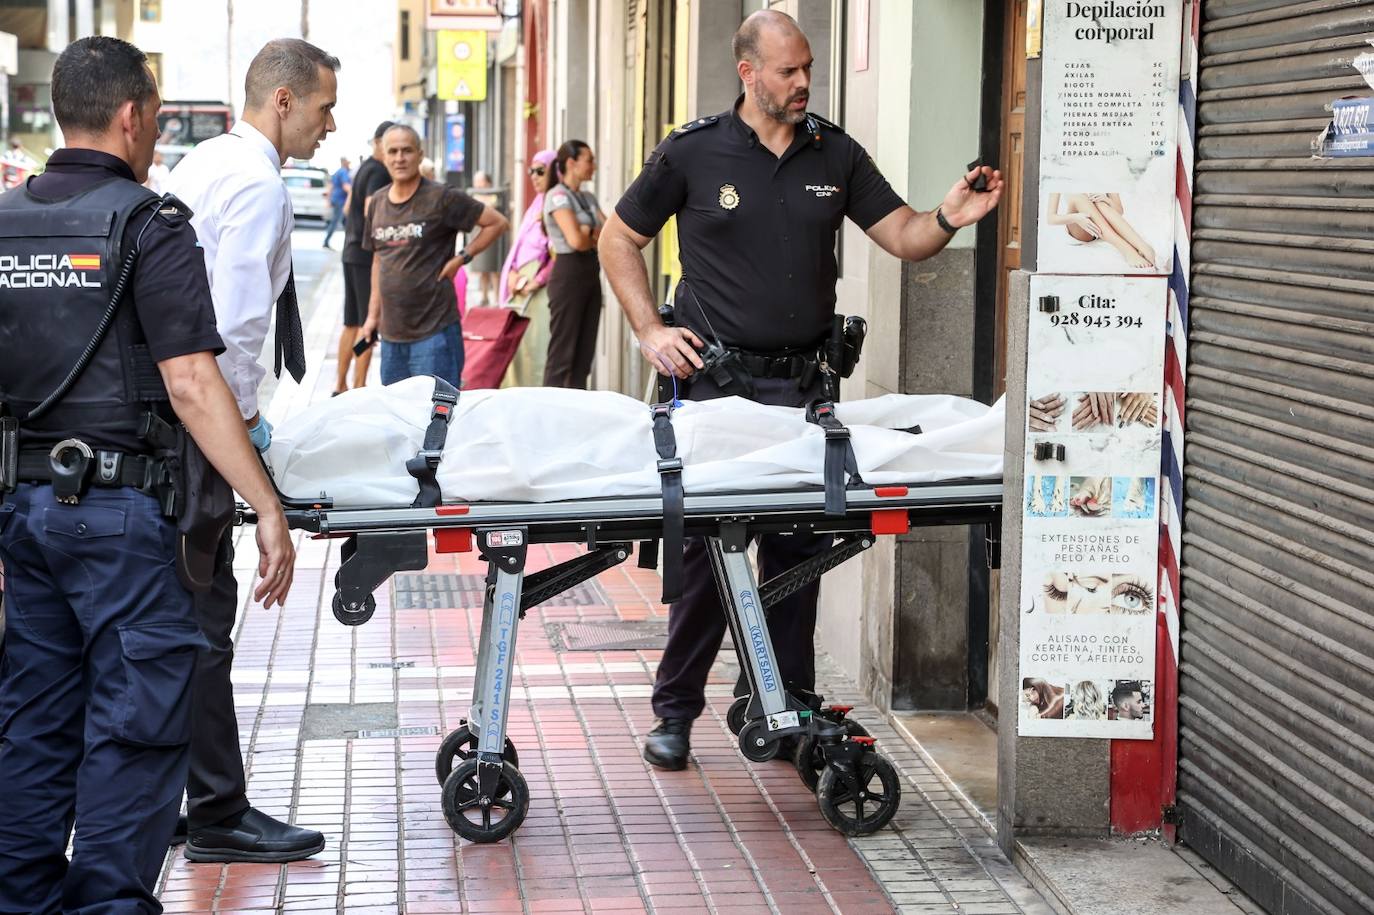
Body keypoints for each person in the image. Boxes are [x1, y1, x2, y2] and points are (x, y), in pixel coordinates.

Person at [599, 9, 1003, 769]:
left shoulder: (836, 152)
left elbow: (906, 234)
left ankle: (781, 703)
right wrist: (650, 328)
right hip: (715, 390)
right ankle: (676, 710)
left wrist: (952, 214)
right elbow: (619, 237)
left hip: (802, 389)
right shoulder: (693, 152)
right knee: (710, 555)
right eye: (788, 70)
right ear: (748, 73)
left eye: (808, 66)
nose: (803, 81)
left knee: (796, 551)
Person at [0, 36, 295, 912]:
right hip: (123, 517)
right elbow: (193, 381)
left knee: (35, 721)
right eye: (157, 120)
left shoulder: (6, 223)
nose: (157, 138)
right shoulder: (149, 222)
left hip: (25, 512)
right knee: (136, 720)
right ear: (132, 116)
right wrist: (264, 503)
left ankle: (20, 896)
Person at [164, 36, 338, 863]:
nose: (329, 125)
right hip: (198, 429)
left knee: (177, 618)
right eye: (323, 107)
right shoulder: (260, 186)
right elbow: (229, 335)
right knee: (204, 620)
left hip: (167, 421)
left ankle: (176, 795)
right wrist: (246, 452)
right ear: (283, 101)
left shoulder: (202, 164)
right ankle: (220, 813)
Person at [357, 124, 507, 387]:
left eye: (407, 151)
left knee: (438, 420)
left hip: (435, 335)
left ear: (420, 154)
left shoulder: (442, 197)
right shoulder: (378, 203)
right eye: (392, 151)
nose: (399, 158)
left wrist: (462, 258)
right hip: (392, 339)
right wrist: (372, 317)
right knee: (399, 421)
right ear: (383, 155)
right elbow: (378, 261)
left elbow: (496, 222)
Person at [543, 140, 607, 389]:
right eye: (589, 160)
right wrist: (591, 232)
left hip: (591, 273)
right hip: (568, 275)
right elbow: (576, 241)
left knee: (583, 354)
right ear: (571, 163)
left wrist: (588, 231)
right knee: (563, 353)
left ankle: (576, 410)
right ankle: (549, 411)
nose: (594, 166)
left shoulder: (587, 197)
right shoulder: (557, 196)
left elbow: (609, 234)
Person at [336, 121, 394, 395]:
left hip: (350, 251)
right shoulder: (380, 172)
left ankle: (340, 384)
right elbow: (373, 209)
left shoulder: (363, 169)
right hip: (365, 255)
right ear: (379, 142)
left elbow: (349, 208)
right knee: (367, 322)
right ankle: (358, 385)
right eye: (390, 145)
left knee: (351, 322)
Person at [499, 149, 558, 386]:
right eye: (531, 171)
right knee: (518, 350)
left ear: (554, 171)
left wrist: (537, 280)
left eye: (540, 171)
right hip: (520, 286)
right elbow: (520, 246)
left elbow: (557, 253)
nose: (534, 176)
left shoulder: (556, 203)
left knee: (536, 347)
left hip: (539, 290)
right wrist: (513, 273)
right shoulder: (536, 205)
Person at [1045, 192, 1157, 269]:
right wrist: (1077, 218)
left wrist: (1107, 200)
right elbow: (1051, 218)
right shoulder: (1060, 171)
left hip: (1100, 227)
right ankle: (1127, 250)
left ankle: (1143, 247)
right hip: (1078, 227)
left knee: (1100, 203)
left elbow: (1119, 211)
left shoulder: (1106, 168)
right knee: (1077, 198)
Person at [466, 170, 504, 307]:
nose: (477, 184)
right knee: (482, 268)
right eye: (476, 181)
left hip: (493, 239)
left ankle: (497, 298)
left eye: (480, 181)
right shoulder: (474, 195)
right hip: (477, 235)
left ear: (487, 183)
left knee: (494, 268)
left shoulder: (493, 196)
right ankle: (484, 296)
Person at [322, 155, 350, 248]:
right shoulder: (343, 172)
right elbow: (346, 186)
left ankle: (348, 242)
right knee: (339, 221)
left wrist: (329, 200)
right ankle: (327, 241)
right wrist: (355, 193)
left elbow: (331, 186)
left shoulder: (337, 172)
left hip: (336, 199)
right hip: (341, 200)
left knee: (343, 221)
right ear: (344, 162)